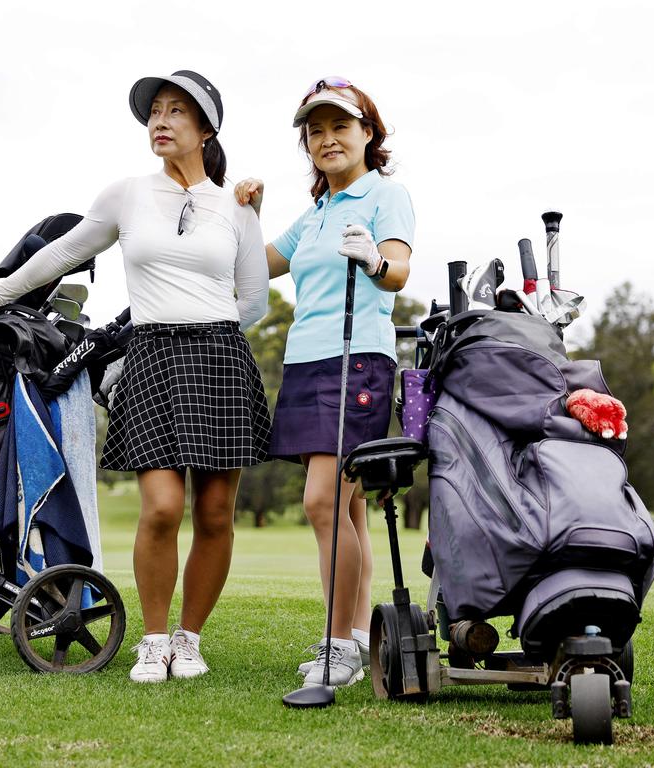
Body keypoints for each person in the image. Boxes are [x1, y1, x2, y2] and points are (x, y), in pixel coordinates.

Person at [0, 70, 270, 683]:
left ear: (205, 129)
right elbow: (64, 252)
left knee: (214, 513)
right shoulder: (127, 194)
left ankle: (189, 639)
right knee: (161, 507)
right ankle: (153, 641)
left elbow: (255, 299)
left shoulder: (235, 206)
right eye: (155, 110)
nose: (161, 120)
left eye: (177, 111)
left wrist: (205, 325)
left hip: (220, 358)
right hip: (152, 356)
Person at [235, 77, 414, 687]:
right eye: (315, 131)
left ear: (369, 133)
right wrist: (244, 214)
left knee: (323, 501)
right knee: (350, 510)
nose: (327, 139)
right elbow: (256, 263)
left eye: (341, 126)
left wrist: (374, 260)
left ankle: (337, 645)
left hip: (357, 357)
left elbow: (397, 275)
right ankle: (360, 637)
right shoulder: (315, 215)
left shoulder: (382, 195)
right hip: (308, 362)